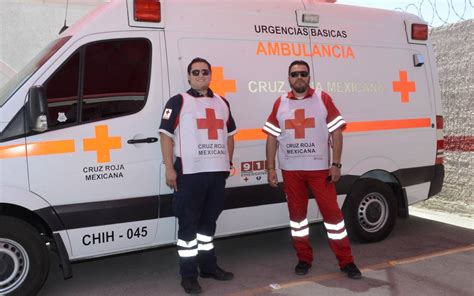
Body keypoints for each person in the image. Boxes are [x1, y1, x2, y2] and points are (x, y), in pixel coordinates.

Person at [263, 60, 362, 279]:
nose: (299, 77)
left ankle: (346, 262)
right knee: (297, 219)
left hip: (320, 170)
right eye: (294, 74)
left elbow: (337, 132)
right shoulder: (280, 102)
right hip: (291, 171)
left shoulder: (322, 99)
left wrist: (335, 164)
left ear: (309, 77)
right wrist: (270, 168)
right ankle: (304, 259)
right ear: (288, 78)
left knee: (334, 217)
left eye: (303, 73)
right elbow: (271, 137)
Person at [159, 57, 236, 294]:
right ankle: (189, 275)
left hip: (215, 173)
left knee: (208, 225)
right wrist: (170, 168)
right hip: (189, 173)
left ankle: (209, 267)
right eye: (195, 72)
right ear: (189, 76)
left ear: (210, 75)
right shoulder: (179, 101)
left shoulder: (222, 103)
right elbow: (165, 135)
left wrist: (227, 163)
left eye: (205, 72)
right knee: (188, 228)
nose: (200, 75)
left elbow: (230, 135)